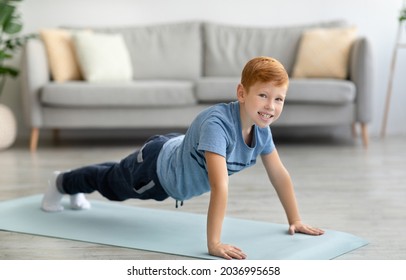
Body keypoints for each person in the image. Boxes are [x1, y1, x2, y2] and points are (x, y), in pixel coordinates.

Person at [41, 56, 325, 260]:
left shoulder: (261, 130)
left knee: (113, 174)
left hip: (172, 150)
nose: (271, 106)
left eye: (279, 99)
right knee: (112, 185)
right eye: (263, 95)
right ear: (241, 93)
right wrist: (214, 243)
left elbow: (279, 174)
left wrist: (295, 219)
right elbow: (220, 185)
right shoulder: (218, 126)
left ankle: (72, 183)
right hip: (154, 172)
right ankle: (62, 183)